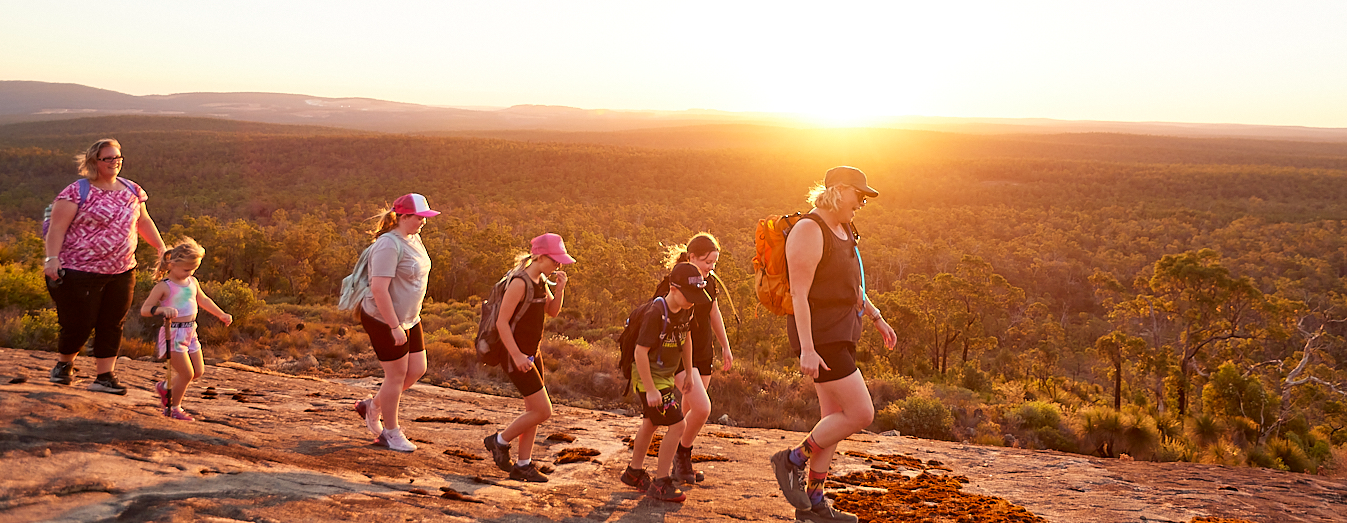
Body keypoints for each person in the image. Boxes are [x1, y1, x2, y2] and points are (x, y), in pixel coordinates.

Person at [769, 166, 897, 523]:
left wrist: (876, 317)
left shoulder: (844, 230)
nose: (861, 204)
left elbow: (853, 287)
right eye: (859, 195)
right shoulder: (810, 230)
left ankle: (814, 504)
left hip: (842, 331)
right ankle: (791, 459)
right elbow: (799, 293)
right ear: (840, 190)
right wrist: (807, 348)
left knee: (832, 420)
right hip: (821, 336)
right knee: (860, 414)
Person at [44, 138, 166, 394]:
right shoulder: (76, 192)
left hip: (122, 270)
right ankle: (64, 365)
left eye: (118, 157)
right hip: (79, 270)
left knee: (113, 322)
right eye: (107, 158)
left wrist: (161, 248)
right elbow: (57, 228)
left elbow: (143, 222)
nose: (114, 162)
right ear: (94, 162)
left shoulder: (132, 190)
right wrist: (52, 258)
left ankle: (104, 376)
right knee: (79, 322)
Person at [482, 233, 573, 482]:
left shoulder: (540, 280)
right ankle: (498, 441)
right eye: (555, 260)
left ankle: (524, 464)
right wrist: (517, 356)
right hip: (516, 355)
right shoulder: (520, 282)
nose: (558, 265)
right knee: (544, 411)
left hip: (532, 353)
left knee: (532, 410)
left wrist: (561, 288)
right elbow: (501, 322)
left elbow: (552, 311)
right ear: (539, 256)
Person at [352, 193, 438, 452]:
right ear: (402, 217)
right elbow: (379, 289)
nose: (423, 221)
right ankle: (389, 433)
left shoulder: (414, 238)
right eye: (419, 217)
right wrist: (393, 326)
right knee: (396, 376)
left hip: (410, 318)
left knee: (417, 369)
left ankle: (372, 406)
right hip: (383, 318)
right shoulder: (388, 245)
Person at [650, 233, 738, 484]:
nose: (711, 268)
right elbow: (656, 316)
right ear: (691, 257)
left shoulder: (708, 283)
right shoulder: (672, 283)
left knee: (688, 411)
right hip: (679, 353)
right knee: (701, 409)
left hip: (702, 351)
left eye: (715, 263)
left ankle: (678, 460)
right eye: (707, 262)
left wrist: (725, 346)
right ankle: (679, 456)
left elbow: (713, 311)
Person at [620, 262, 710, 503]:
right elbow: (640, 353)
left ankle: (633, 472)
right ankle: (661, 482)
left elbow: (686, 339)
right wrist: (649, 388)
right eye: (688, 295)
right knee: (678, 425)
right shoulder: (656, 313)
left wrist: (690, 373)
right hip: (648, 377)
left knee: (650, 423)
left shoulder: (686, 308)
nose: (692, 300)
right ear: (672, 288)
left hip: (666, 376)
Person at [140, 238, 233, 421]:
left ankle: (165, 386)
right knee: (186, 373)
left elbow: (203, 300)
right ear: (172, 264)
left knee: (197, 372)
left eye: (193, 269)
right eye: (186, 269)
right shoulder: (164, 286)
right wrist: (161, 310)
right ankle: (173, 407)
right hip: (173, 333)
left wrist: (221, 314)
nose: (190, 273)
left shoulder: (192, 282)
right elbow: (145, 310)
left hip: (191, 332)